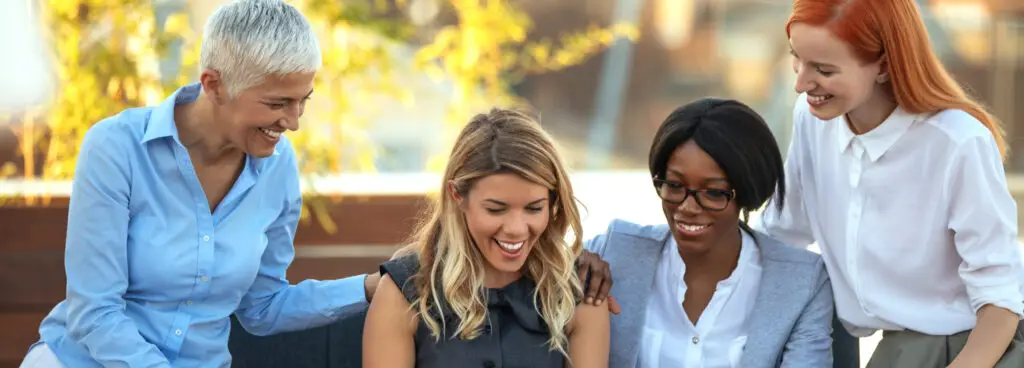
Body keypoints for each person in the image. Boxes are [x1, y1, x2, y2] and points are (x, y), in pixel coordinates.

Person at [18, 1, 385, 366]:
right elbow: (95, 312)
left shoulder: (279, 166)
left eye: (303, 101)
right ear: (214, 85)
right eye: (277, 103)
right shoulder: (117, 148)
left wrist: (369, 287)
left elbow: (264, 306)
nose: (293, 122)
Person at [757, 0, 1024, 366]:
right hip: (893, 344)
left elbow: (1001, 297)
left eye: (823, 69)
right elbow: (783, 233)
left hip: (976, 347)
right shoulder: (812, 119)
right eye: (797, 59)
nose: (801, 84)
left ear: (883, 65)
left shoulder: (958, 142)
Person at [585, 98, 835, 367]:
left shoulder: (802, 282)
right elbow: (541, 265)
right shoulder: (614, 251)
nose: (687, 207)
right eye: (674, 185)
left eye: (714, 192)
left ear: (748, 190)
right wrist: (564, 267)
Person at [362, 108, 611, 368]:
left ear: (552, 202)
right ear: (458, 196)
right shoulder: (403, 290)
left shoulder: (578, 291)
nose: (516, 228)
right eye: (496, 209)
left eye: (534, 208)